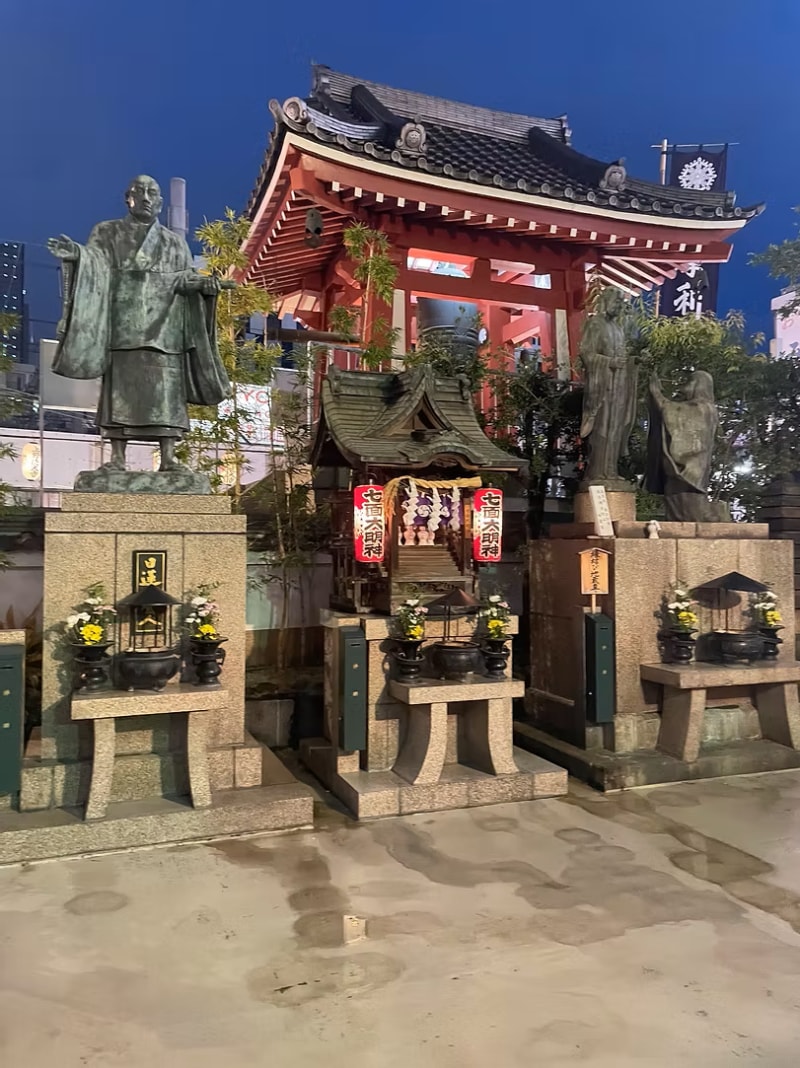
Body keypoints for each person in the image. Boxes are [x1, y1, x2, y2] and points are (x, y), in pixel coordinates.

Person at [47, 175, 231, 473]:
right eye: (140, 191)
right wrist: (77, 254)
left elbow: (184, 279)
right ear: (127, 198)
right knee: (120, 391)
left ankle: (169, 456)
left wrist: (205, 285)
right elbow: (93, 261)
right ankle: (117, 457)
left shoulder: (174, 243)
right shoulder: (107, 232)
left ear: (160, 202)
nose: (146, 197)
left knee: (167, 392)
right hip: (123, 324)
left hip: (165, 329)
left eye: (153, 193)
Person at [578, 288, 638, 485]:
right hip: (603, 387)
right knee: (602, 428)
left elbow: (621, 358)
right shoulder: (595, 324)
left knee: (616, 428)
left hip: (619, 386)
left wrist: (633, 362)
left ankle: (611, 471)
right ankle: (597, 472)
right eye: (616, 302)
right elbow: (587, 354)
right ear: (606, 301)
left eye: (621, 304)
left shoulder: (618, 329)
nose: (619, 307)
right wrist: (609, 363)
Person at [646, 370, 720, 521]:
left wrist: (657, 394)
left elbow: (671, 411)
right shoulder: (701, 407)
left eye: (690, 382)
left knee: (686, 513)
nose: (684, 387)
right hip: (680, 479)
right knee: (676, 506)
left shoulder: (704, 408)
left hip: (689, 477)